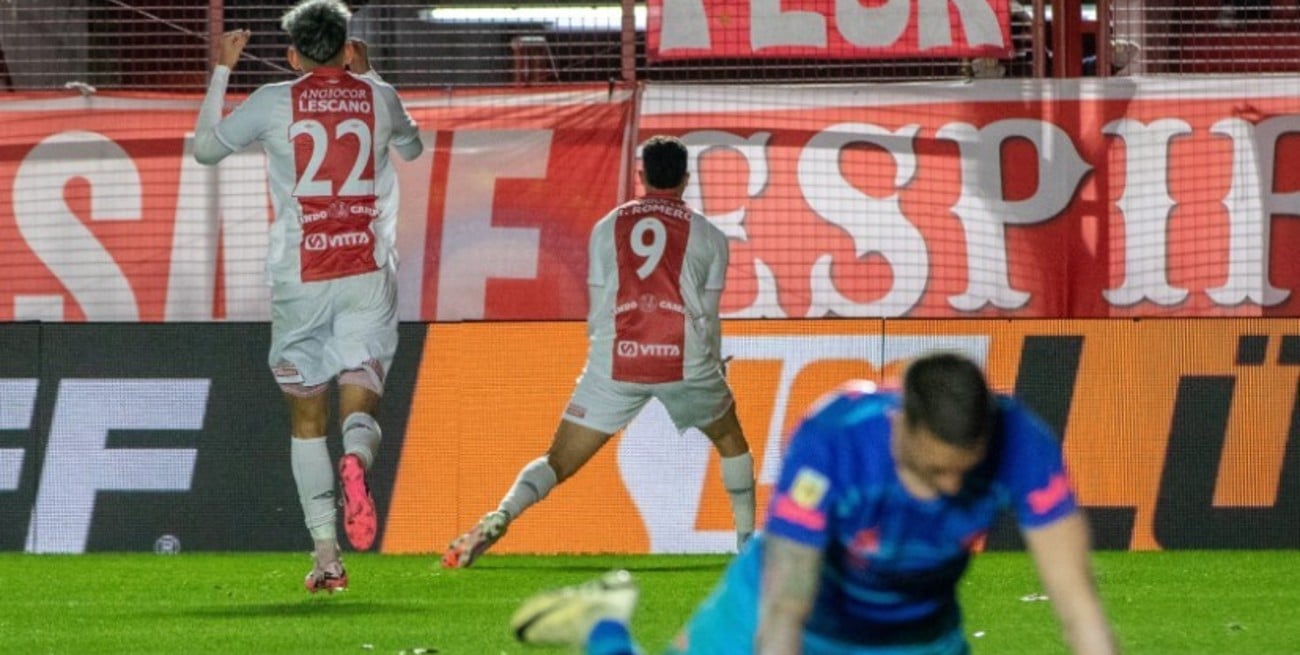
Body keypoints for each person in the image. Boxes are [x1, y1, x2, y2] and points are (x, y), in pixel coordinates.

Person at [511, 351, 1121, 655]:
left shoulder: (1022, 441)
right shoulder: (834, 440)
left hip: (919, 634)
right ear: (901, 425)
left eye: (964, 472)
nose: (949, 491)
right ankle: (606, 623)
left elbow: (1077, 605)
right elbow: (786, 608)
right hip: (788, 603)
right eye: (934, 471)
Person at [192, 0, 423, 593]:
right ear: (347, 47)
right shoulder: (378, 96)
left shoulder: (273, 99)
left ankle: (326, 558)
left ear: (292, 55)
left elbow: (206, 150)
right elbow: (413, 149)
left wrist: (222, 69)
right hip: (365, 269)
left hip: (300, 275)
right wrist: (370, 75)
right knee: (362, 390)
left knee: (306, 416)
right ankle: (357, 460)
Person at [443, 135, 756, 568]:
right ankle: (747, 544)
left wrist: (604, 354)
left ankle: (502, 514)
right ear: (686, 179)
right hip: (683, 362)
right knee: (731, 442)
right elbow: (708, 316)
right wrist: (715, 364)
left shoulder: (608, 225)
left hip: (615, 362)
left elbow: (598, 305)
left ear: (641, 175)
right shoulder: (710, 235)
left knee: (557, 461)